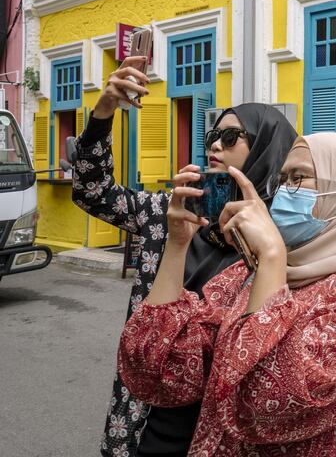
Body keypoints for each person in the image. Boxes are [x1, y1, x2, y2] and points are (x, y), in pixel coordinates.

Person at [116, 132, 336, 456]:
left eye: (299, 177)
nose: (283, 193)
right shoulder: (245, 273)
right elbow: (157, 367)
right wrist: (177, 245)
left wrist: (271, 258)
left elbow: (262, 401)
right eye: (282, 180)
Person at [71, 55, 297, 456]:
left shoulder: (282, 241)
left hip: (227, 427)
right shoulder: (171, 213)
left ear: (265, 148)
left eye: (231, 137)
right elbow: (92, 190)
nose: (214, 145)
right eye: (213, 135)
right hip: (150, 417)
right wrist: (104, 111)